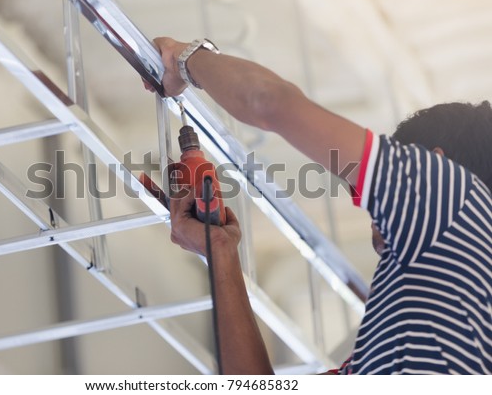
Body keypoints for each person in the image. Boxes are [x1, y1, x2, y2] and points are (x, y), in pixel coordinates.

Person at [146, 37, 492, 374]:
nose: (373, 213)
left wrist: (183, 59)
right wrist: (219, 248)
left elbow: (267, 100)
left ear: (433, 165)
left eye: (380, 201)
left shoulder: (456, 198)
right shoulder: (398, 350)